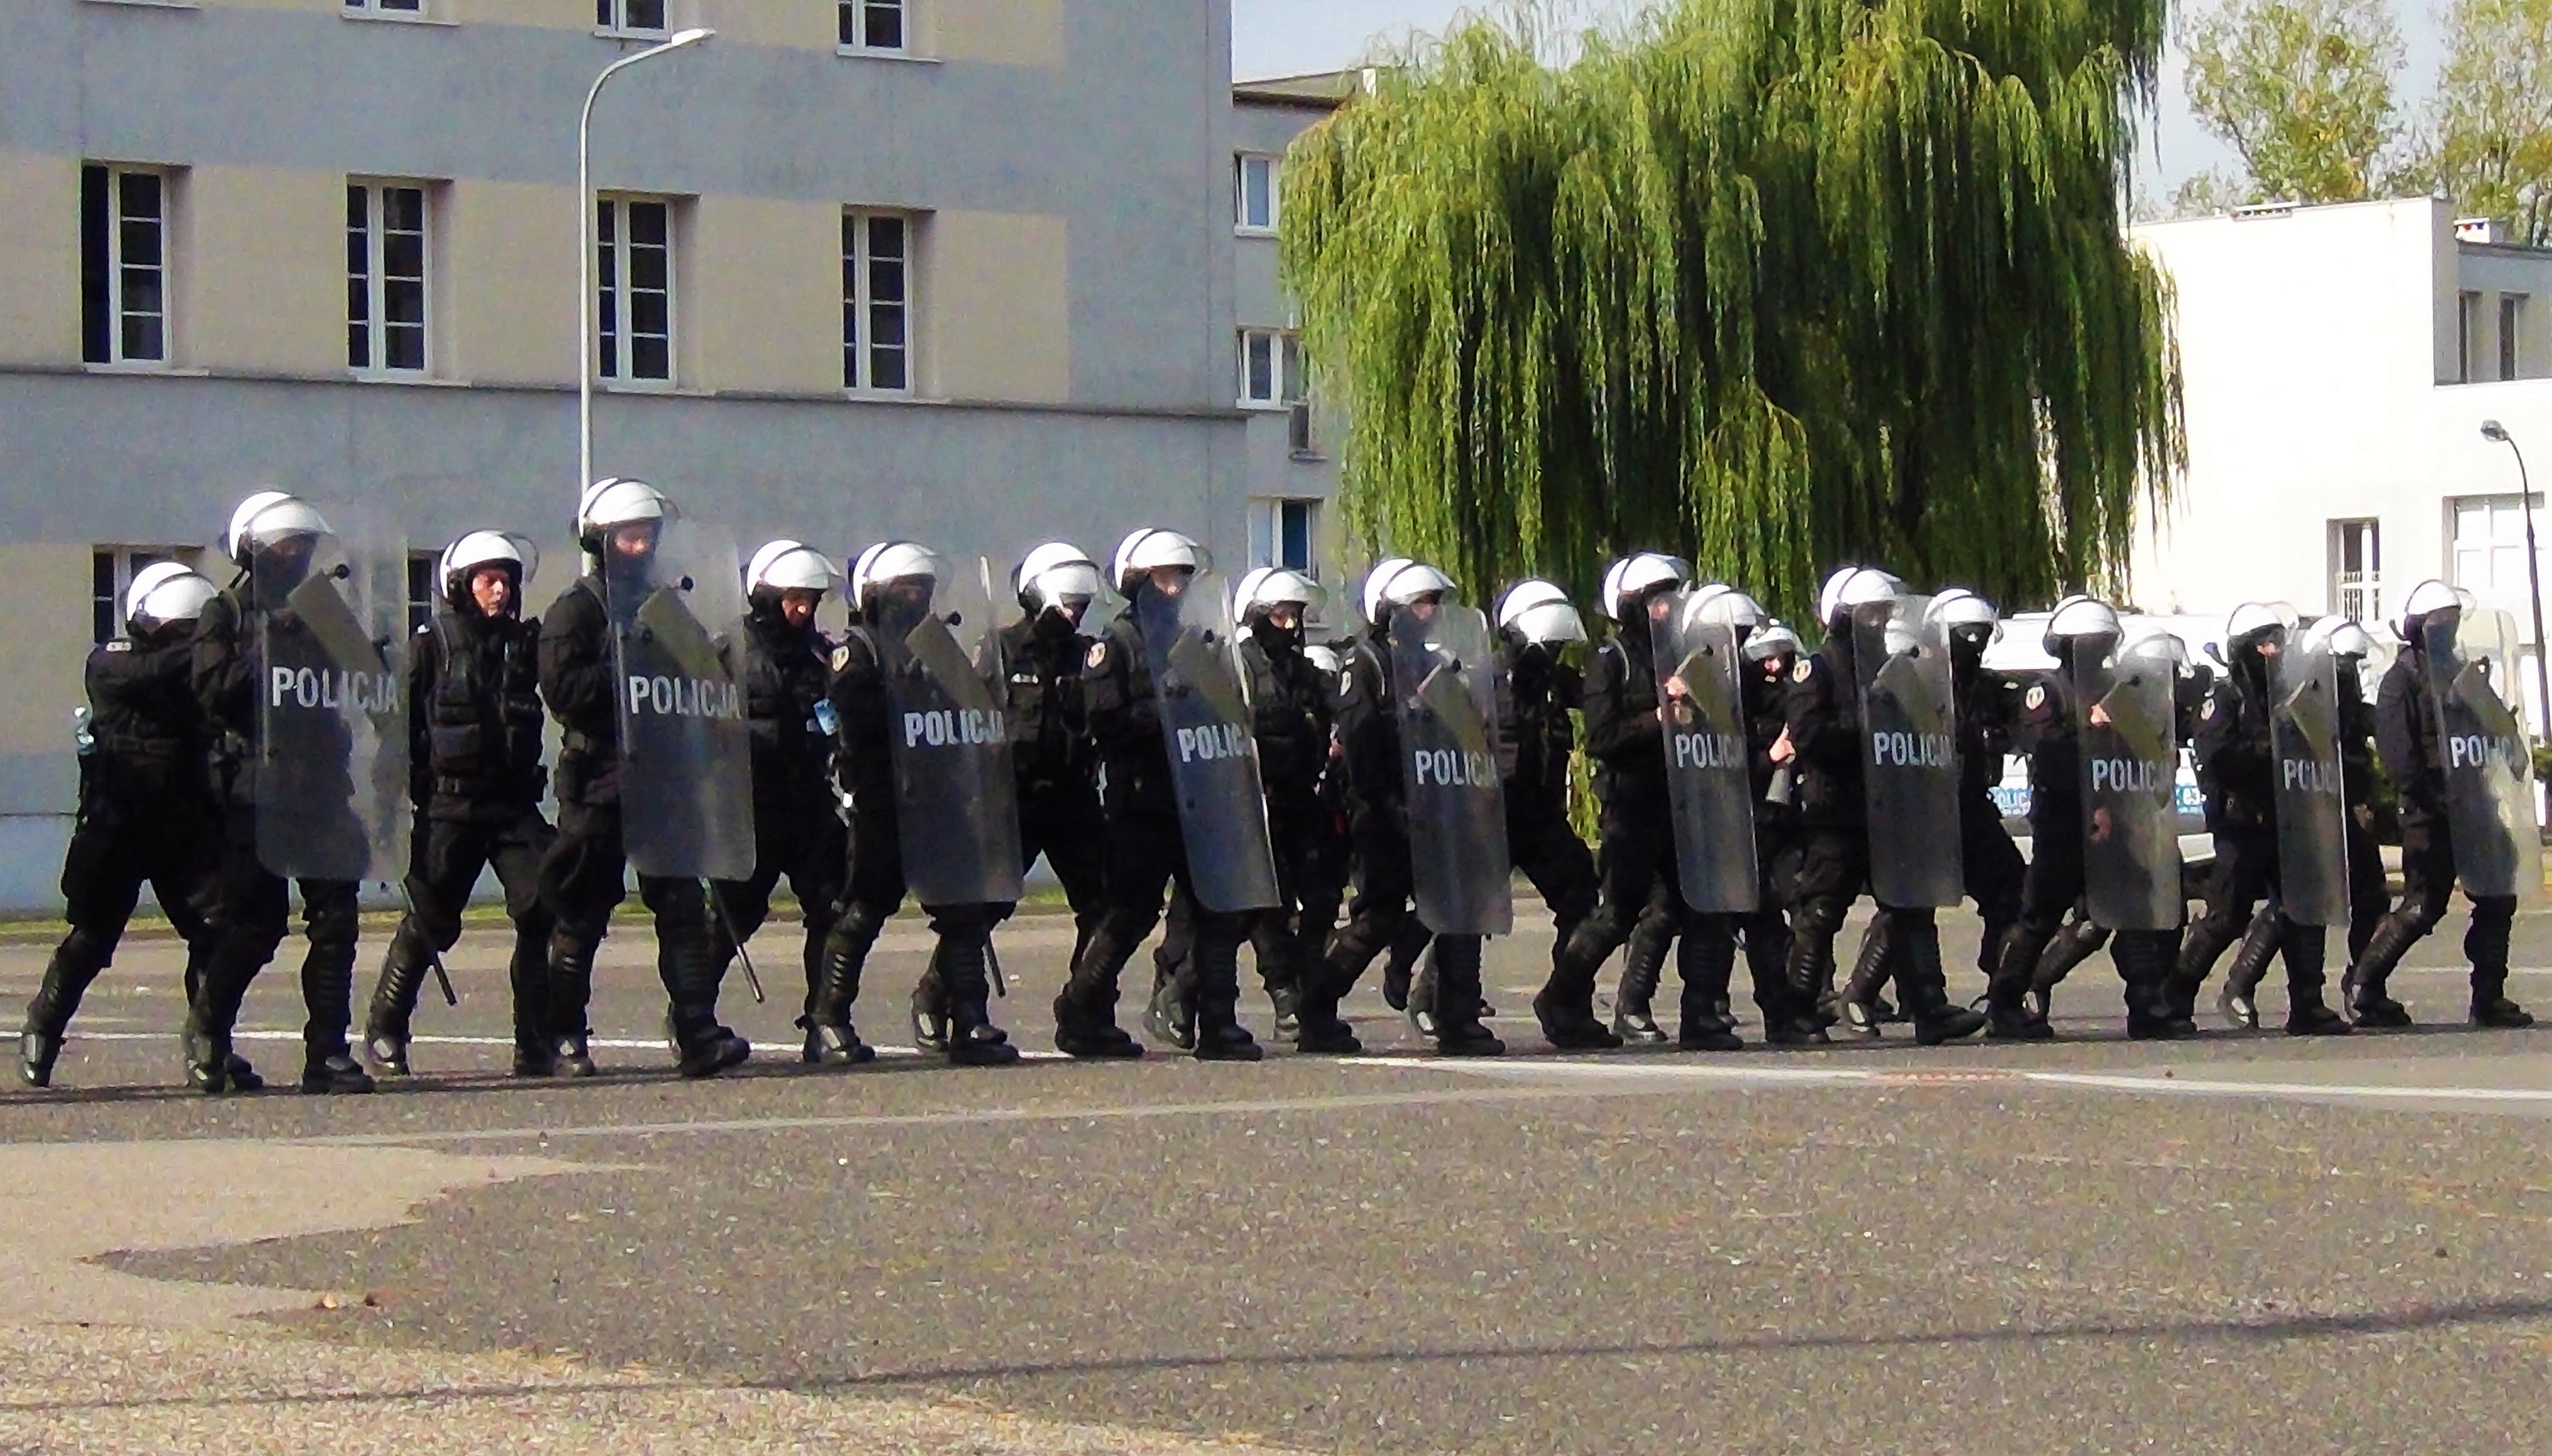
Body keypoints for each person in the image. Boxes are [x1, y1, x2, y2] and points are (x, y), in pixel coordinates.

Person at [536, 478, 751, 1080]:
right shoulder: (573, 612)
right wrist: (621, 666)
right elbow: (564, 692)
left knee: (682, 906)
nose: (642, 546)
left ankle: (695, 1029)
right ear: (602, 540)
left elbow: (698, 677)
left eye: (649, 535)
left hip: (664, 780)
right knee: (582, 913)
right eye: (631, 535)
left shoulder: (664, 604)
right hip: (601, 780)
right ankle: (565, 1037)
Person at [185, 491, 377, 1095]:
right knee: (255, 923)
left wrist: (384, 654)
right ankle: (208, 1035)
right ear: (254, 550)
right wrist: (269, 643)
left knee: (337, 919)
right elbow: (213, 690)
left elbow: (369, 680)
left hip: (323, 784)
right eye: (284, 545)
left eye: (303, 545)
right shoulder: (227, 613)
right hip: (255, 789)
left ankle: (327, 1050)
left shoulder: (323, 606)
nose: (295, 554)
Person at [804, 543, 1022, 1067]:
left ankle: (969, 1017)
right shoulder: (858, 651)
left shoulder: (937, 647)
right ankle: (829, 1021)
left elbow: (968, 708)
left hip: (941, 800)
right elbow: (856, 723)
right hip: (884, 804)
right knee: (863, 911)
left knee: (963, 908)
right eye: (904, 588)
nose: (915, 597)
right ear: (877, 594)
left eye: (922, 588)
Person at [1055, 528, 1264, 1060]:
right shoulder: (1117, 644)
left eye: (1182, 577)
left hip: (1201, 796)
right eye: (1167, 577)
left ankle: (1217, 1021)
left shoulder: (1200, 641)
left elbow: (1229, 710)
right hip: (1144, 802)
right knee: (1130, 912)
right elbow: (1103, 720)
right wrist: (1163, 712)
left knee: (1216, 908)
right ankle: (1080, 1009)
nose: (1177, 587)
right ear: (1139, 581)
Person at [19, 564, 226, 1089]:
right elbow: (149, 672)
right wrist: (216, 637)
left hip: (183, 827)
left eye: (194, 629)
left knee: (212, 934)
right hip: (118, 826)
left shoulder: (202, 669)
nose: (188, 640)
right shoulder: (113, 662)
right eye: (180, 629)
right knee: (93, 936)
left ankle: (211, 1042)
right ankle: (42, 1028)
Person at [363, 531, 557, 1077]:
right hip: (450, 807)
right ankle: (385, 1029)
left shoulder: (524, 646)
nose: (498, 591)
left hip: (513, 808)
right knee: (431, 920)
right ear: (461, 585)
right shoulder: (431, 646)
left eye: (506, 581)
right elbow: (393, 728)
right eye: (487, 580)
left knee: (542, 906)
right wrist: (386, 806)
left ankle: (535, 1040)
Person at [1292, 558, 1504, 1055]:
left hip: (1437, 803)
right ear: (1389, 609)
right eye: (1418, 603)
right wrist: (1388, 808)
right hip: (1383, 813)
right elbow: (1362, 744)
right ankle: (1315, 1009)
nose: (1428, 613)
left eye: (1433, 604)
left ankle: (1458, 1015)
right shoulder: (1365, 663)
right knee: (1377, 918)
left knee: (1459, 906)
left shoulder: (1429, 661)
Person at [911, 543, 1111, 1050]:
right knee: (987, 906)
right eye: (1069, 600)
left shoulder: (1086, 654)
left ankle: (1085, 1011)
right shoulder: (1000, 650)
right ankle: (937, 994)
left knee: (1103, 904)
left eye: (1082, 603)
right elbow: (970, 718)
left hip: (1071, 795)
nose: (1076, 611)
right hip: (1012, 797)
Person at [1777, 568, 1987, 1045]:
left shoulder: (1894, 667)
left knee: (1911, 904)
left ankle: (1929, 1006)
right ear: (1844, 617)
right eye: (1871, 612)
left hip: (1891, 808)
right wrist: (1863, 723)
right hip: (1839, 811)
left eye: (1884, 612)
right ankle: (1798, 1010)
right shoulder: (1820, 669)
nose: (1879, 621)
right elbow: (1808, 734)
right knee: (1822, 911)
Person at [1389, 578, 1597, 1037]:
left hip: (1542, 819)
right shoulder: (1480, 678)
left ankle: (1566, 1001)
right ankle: (1442, 1003)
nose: (1556, 653)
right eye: (1549, 644)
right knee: (1467, 913)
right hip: (1490, 814)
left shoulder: (1555, 685)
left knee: (1583, 898)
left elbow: (1601, 707)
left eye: (1560, 644)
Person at [1144, 567, 1336, 1045]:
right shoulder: (1234, 665)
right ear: (1255, 615)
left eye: (1296, 614)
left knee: (1320, 900)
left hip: (1298, 802)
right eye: (1280, 614)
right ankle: (1270, 996)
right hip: (1250, 802)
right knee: (1255, 908)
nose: (1290, 624)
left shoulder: (1304, 671)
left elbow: (1336, 710)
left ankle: (1308, 1000)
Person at [1981, 599, 2185, 1039]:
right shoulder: (2047, 692)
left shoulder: (2119, 690)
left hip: (2120, 822)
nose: (2095, 652)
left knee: (2134, 910)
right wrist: (2091, 732)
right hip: (2063, 825)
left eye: (2101, 643)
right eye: (2086, 644)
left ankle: (2146, 1003)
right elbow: (2050, 755)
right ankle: (2005, 1002)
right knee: (2040, 916)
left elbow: (2143, 752)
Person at [2341, 580, 2535, 1028]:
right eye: (2439, 621)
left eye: (2452, 620)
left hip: (2476, 804)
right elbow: (2397, 753)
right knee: (2422, 904)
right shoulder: (2401, 679)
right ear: (2418, 628)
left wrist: (2507, 741)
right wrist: (2426, 798)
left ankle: (2489, 997)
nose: (2448, 628)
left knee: (2496, 895)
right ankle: (2363, 987)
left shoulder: (2463, 674)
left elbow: (2493, 730)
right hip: (2430, 811)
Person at [1840, 588, 2025, 1037]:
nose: (1974, 646)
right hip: (1921, 806)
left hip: (1971, 805)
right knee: (1910, 901)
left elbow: (2018, 725)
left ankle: (2003, 992)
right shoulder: (1913, 678)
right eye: (1966, 636)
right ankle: (1869, 994)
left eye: (1981, 637)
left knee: (2014, 890)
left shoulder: (1987, 686)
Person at [2164, 603, 2350, 1034]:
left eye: (2278, 643)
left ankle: (2307, 1003)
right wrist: (2268, 752)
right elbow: (2218, 757)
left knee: (2304, 908)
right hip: (2242, 824)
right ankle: (2176, 994)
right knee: (2227, 914)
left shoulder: (2291, 696)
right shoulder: (2224, 700)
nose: (2274, 652)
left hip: (2289, 820)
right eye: (2264, 644)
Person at [710, 540, 853, 1063]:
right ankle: (694, 1017)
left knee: (833, 905)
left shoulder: (820, 654)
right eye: (794, 599)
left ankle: (827, 1021)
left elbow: (835, 717)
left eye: (811, 600)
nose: (803, 610)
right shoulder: (731, 651)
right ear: (768, 596)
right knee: (737, 913)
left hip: (810, 801)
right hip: (752, 805)